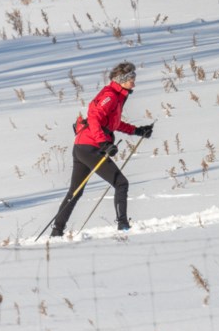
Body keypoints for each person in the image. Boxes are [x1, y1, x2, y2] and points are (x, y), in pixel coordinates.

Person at [51, 61, 154, 236]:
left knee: (75, 192)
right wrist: (103, 143)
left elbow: (113, 123)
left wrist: (137, 131)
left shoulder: (117, 96)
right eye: (131, 79)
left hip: (82, 146)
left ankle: (57, 231)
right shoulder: (110, 95)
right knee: (121, 183)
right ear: (121, 80)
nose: (134, 83)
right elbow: (94, 118)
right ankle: (123, 226)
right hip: (90, 146)